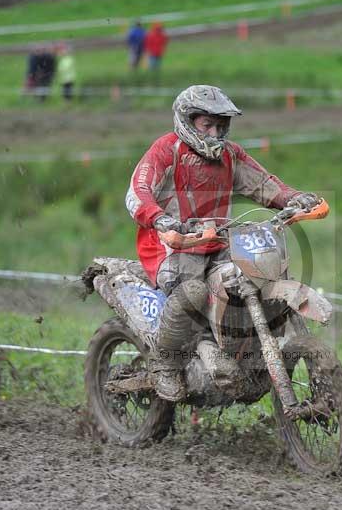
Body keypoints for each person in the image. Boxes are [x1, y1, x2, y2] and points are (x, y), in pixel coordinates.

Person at [125, 84, 320, 401]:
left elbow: (264, 184)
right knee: (193, 291)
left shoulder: (230, 155)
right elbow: (137, 192)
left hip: (217, 240)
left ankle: (247, 350)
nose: (216, 132)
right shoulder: (166, 150)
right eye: (208, 125)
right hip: (171, 245)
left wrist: (294, 198)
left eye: (222, 125)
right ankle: (166, 365)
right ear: (189, 121)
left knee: (258, 274)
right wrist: (159, 217)